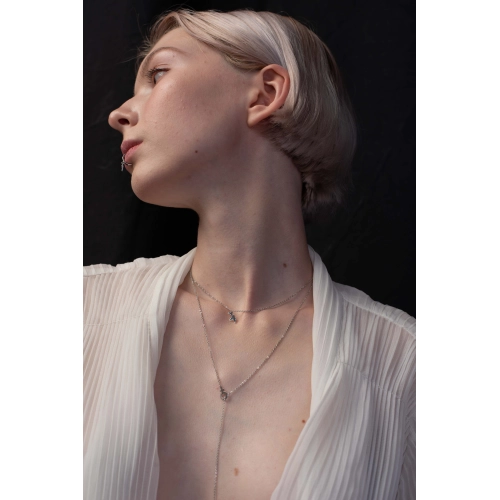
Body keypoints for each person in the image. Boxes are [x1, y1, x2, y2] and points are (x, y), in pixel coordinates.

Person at [84, 8, 415, 500]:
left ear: (265, 94)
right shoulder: (79, 315)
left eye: (158, 74)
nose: (119, 113)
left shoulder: (405, 372)